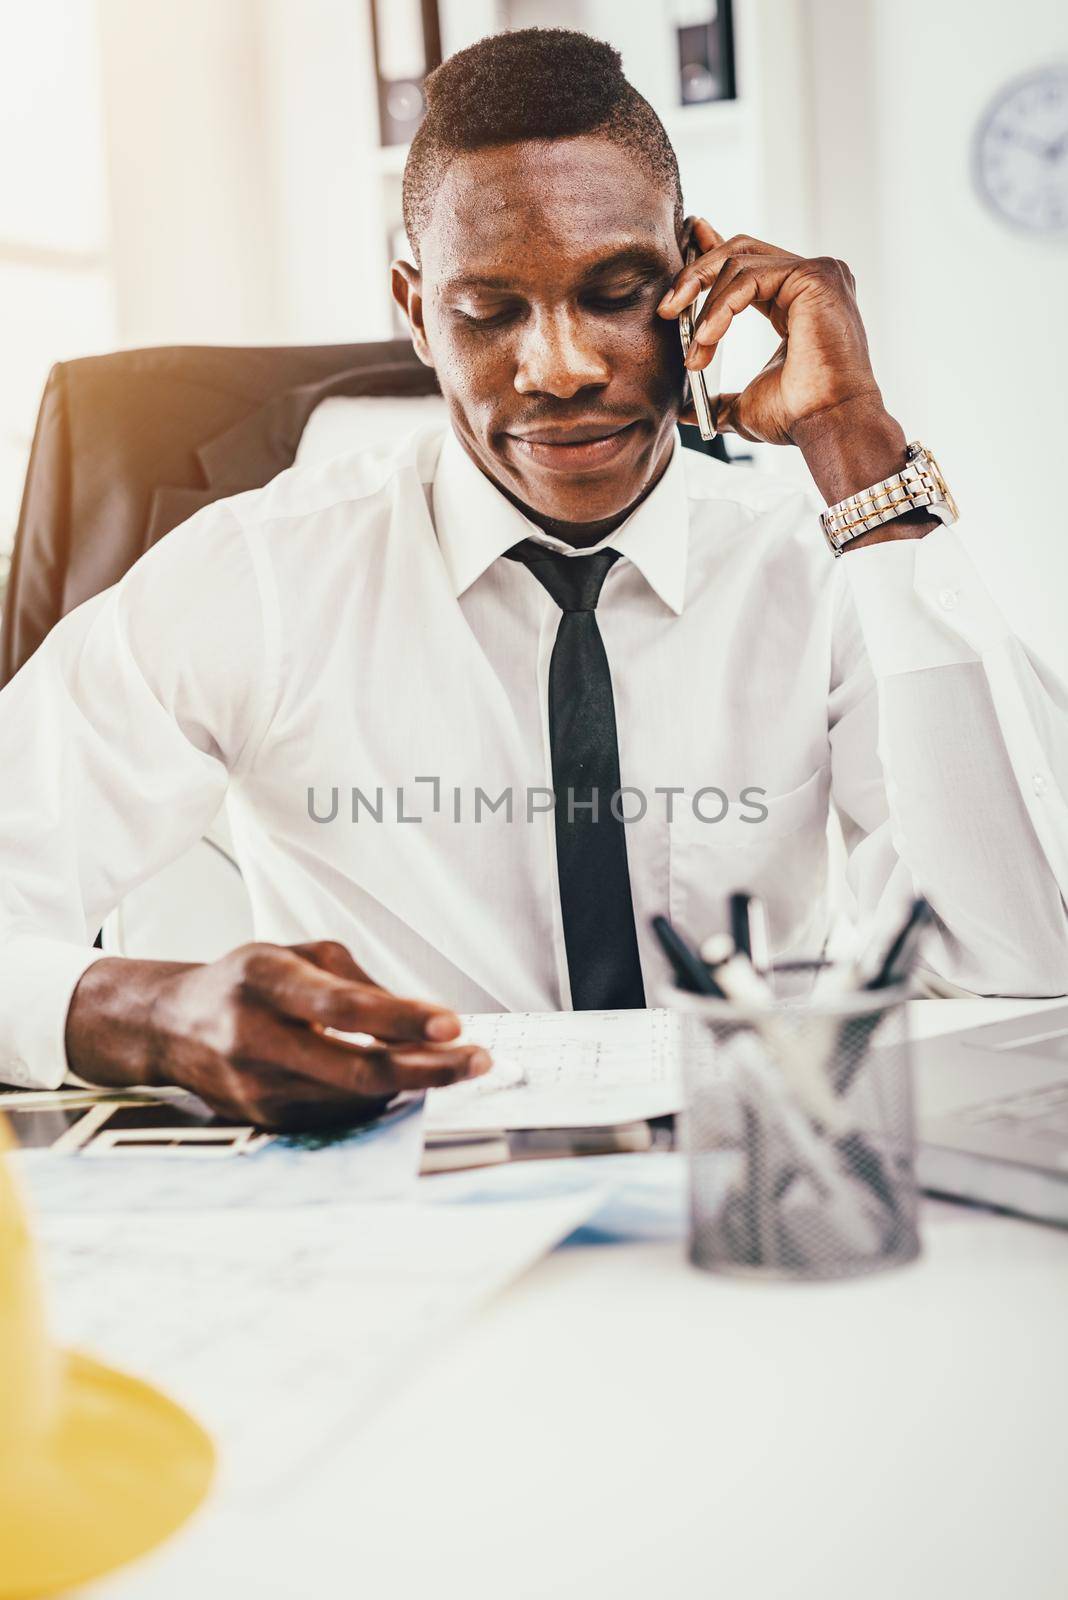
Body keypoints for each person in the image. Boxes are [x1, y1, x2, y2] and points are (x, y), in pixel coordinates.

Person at [0, 29, 1065, 1128]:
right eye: (490, 312)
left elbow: (1024, 963)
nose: (559, 368)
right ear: (415, 310)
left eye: (615, 293)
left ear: (699, 282)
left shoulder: (821, 566)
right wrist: (142, 1009)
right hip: (398, 1203)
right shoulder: (262, 573)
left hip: (751, 1179)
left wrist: (856, 447)